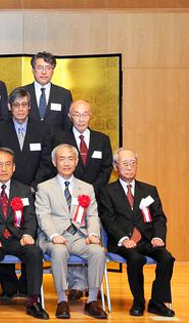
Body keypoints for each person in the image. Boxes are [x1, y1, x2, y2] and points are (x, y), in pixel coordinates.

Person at [0, 148, 49, 320]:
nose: (4, 169)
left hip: (16, 238)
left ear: (13, 167)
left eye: (8, 164)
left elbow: (30, 217)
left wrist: (28, 234)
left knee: (34, 252)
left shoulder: (24, 190)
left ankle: (33, 302)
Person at [98, 148, 176, 317]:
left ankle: (157, 301)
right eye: (125, 163)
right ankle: (138, 301)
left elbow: (159, 217)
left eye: (133, 163)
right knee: (135, 258)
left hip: (147, 241)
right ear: (116, 166)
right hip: (121, 242)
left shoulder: (149, 190)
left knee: (167, 258)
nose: (130, 167)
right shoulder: (107, 192)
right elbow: (108, 220)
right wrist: (123, 238)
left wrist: (158, 237)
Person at [35, 144, 108, 319]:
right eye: (62, 159)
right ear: (54, 162)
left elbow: (92, 215)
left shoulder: (87, 188)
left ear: (76, 162)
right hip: (54, 237)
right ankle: (62, 300)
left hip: (79, 237)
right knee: (59, 252)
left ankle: (92, 300)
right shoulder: (44, 187)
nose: (66, 163)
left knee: (98, 251)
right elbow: (43, 216)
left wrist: (93, 234)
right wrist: (54, 235)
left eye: (70, 159)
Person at [51, 100, 113, 302]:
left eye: (85, 114)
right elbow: (59, 164)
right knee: (72, 232)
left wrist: (90, 190)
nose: (81, 118)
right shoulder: (60, 138)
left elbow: (106, 168)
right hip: (67, 195)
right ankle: (77, 284)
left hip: (93, 196)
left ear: (91, 115)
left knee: (91, 237)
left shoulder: (102, 139)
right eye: (76, 114)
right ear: (70, 116)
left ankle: (93, 286)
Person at [0, 88, 53, 189]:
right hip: (8, 187)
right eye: (16, 105)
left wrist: (34, 185)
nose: (20, 109)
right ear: (9, 107)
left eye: (24, 105)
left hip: (35, 188)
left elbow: (46, 162)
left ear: (29, 107)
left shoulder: (42, 129)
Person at [19, 52, 73, 133]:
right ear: (33, 70)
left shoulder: (64, 94)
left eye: (48, 68)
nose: (44, 72)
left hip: (56, 140)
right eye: (40, 68)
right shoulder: (21, 92)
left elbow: (68, 125)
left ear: (53, 71)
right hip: (28, 139)